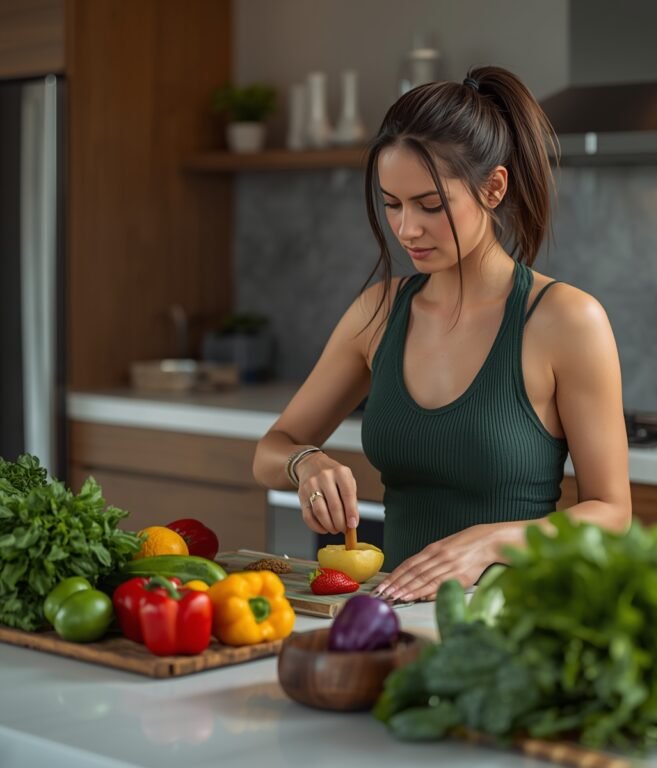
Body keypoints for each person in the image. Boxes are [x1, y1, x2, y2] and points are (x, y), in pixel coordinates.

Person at [252, 65, 631, 602]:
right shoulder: (378, 311)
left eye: (430, 205)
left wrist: (491, 543)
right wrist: (305, 462)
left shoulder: (566, 320)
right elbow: (271, 449)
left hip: (517, 624)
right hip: (393, 619)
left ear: (493, 188)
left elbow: (612, 515)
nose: (407, 228)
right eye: (392, 204)